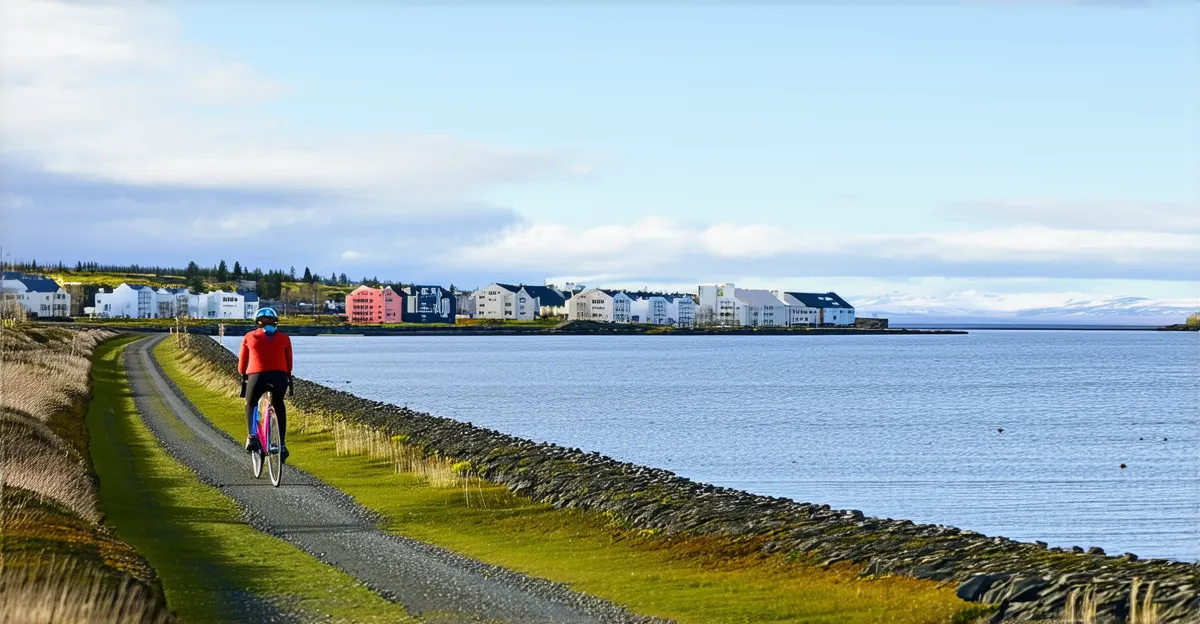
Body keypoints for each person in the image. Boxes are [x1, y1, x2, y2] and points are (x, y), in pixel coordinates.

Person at [238, 307, 293, 462]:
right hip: (279, 377)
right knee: (279, 405)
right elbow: (289, 365)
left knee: (251, 403)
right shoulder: (284, 338)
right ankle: (281, 444)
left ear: (257, 322)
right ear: (275, 322)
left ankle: (252, 436)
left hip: (257, 376)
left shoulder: (249, 337)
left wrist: (243, 373)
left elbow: (242, 366)